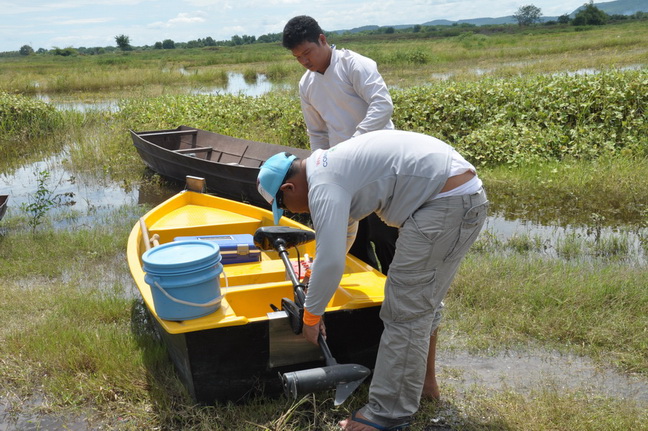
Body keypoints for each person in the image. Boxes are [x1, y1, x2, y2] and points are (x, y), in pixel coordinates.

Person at [257, 130, 488, 431]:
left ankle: (387, 415)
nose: (293, 213)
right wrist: (317, 285)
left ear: (288, 187)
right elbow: (343, 236)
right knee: (419, 303)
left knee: (404, 309)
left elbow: (331, 261)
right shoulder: (329, 167)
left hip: (446, 203)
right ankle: (424, 386)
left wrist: (312, 316)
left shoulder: (323, 185)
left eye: (286, 207)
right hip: (456, 197)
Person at [282, 15, 398, 275]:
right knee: (353, 238)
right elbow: (317, 132)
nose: (304, 61)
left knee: (385, 236)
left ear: (322, 39)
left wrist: (355, 144)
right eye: (298, 57)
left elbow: (382, 106)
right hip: (342, 169)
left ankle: (395, 288)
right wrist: (320, 167)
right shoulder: (307, 84)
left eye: (307, 53)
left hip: (379, 161)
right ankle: (365, 294)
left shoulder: (355, 65)